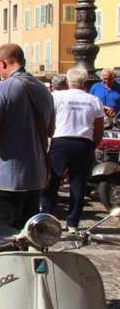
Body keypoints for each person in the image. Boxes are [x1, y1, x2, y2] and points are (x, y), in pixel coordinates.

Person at [0, 43, 55, 230]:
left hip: (9, 176)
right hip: (36, 176)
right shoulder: (44, 90)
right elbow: (50, 131)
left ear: (2, 63)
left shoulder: (0, 89)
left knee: (6, 236)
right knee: (29, 235)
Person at [40, 67, 104, 233]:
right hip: (84, 142)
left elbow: (47, 120)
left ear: (68, 82)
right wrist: (92, 147)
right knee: (78, 183)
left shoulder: (57, 96)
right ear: (85, 83)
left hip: (61, 140)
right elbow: (99, 130)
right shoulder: (94, 100)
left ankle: (46, 217)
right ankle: (73, 222)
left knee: (52, 181)